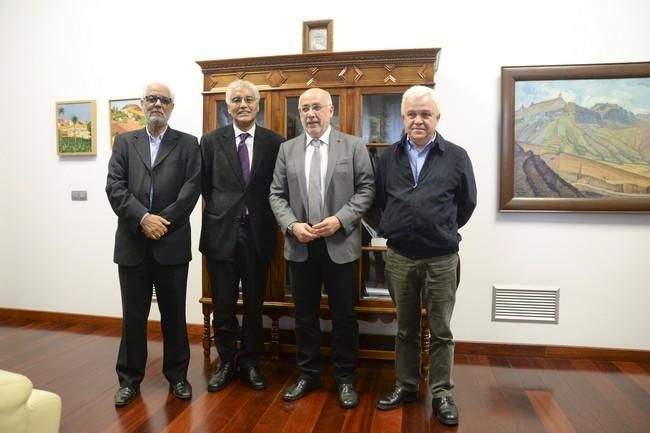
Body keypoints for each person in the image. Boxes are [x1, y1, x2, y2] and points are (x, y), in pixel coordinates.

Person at [374, 85, 476, 426]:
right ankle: (406, 385)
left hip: (441, 257)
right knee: (405, 328)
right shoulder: (387, 157)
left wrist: (440, 227)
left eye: (425, 114)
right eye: (411, 114)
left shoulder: (456, 156)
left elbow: (466, 203)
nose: (418, 120)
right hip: (400, 256)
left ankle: (442, 393)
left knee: (441, 329)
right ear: (402, 118)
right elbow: (376, 205)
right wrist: (395, 226)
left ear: (437, 118)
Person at [269, 88, 375, 409]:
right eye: (305, 109)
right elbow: (276, 193)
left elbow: (367, 189)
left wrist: (340, 220)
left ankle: (344, 378)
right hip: (301, 245)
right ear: (299, 114)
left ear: (331, 111)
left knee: (343, 316)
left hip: (339, 244)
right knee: (304, 316)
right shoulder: (287, 150)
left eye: (317, 107)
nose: (311, 114)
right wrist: (291, 225)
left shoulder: (353, 146)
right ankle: (308, 373)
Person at [106, 82, 201, 407]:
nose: (157, 104)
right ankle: (129, 380)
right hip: (133, 243)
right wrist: (143, 218)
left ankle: (178, 377)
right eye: (151, 99)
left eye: (164, 100)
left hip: (171, 242)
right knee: (133, 316)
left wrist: (162, 222)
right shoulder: (124, 142)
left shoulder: (188, 144)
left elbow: (191, 190)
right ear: (142, 104)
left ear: (172, 106)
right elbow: (115, 186)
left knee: (174, 315)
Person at [199, 79, 284, 392]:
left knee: (253, 304)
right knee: (222, 303)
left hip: (258, 233)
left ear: (258, 105)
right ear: (227, 105)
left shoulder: (274, 142)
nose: (243, 104)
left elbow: (278, 187)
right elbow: (206, 187)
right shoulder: (209, 142)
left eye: (249, 99)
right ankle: (226, 362)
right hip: (221, 232)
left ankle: (250, 363)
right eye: (236, 99)